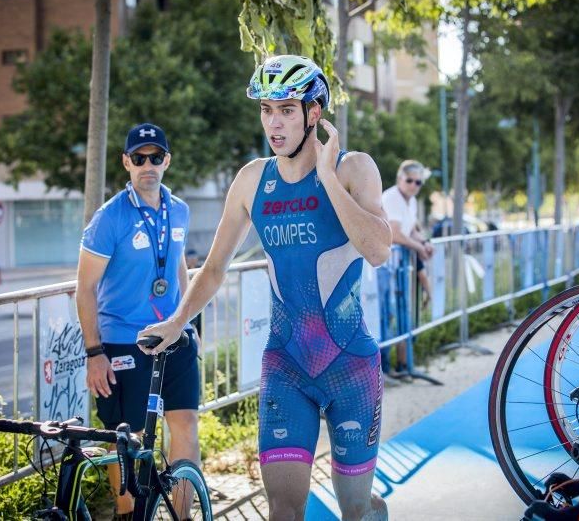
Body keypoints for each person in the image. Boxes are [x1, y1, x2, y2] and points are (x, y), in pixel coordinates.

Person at [138, 55, 391, 521]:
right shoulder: (253, 180)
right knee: (283, 510)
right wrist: (176, 322)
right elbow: (213, 269)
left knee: (355, 510)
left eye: (287, 110)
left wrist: (329, 178)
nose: (273, 123)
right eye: (266, 110)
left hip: (351, 366)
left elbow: (378, 249)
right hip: (286, 366)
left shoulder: (356, 169)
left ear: (314, 114)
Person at [76, 123, 200, 520]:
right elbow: (84, 289)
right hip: (123, 342)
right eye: (140, 158)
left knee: (185, 423)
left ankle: (181, 514)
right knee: (123, 437)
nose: (149, 164)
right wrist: (94, 353)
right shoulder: (109, 217)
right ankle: (128, 512)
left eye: (156, 156)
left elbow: (179, 265)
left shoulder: (179, 209)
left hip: (174, 337)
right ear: (126, 162)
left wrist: (187, 321)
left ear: (168, 160)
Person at [380, 160, 434, 380]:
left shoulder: (410, 201)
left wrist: (425, 241)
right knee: (385, 314)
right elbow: (394, 233)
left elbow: (410, 230)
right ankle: (383, 367)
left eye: (418, 182)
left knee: (401, 313)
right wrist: (419, 247)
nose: (413, 185)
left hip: (397, 265)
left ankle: (402, 364)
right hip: (382, 265)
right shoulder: (392, 197)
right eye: (409, 180)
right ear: (399, 179)